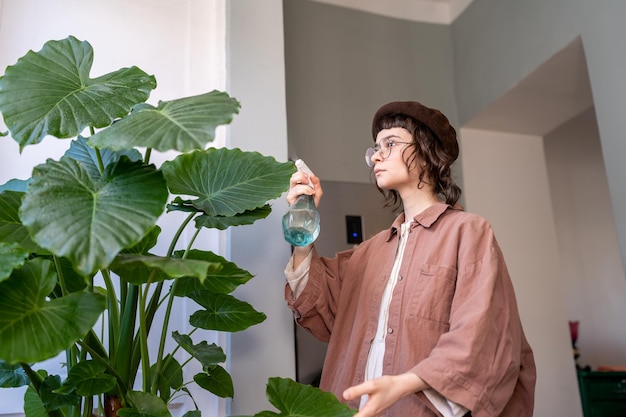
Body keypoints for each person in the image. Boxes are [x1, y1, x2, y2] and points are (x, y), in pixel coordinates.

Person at [283, 101, 536, 417]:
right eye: (375, 148)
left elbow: (484, 336)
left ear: (427, 152)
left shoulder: (468, 233)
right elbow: (316, 303)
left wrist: (404, 384)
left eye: (390, 144)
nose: (376, 156)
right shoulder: (367, 253)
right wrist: (302, 214)